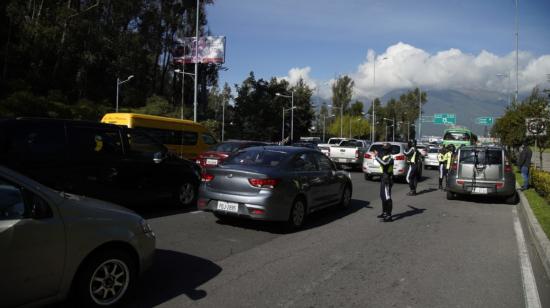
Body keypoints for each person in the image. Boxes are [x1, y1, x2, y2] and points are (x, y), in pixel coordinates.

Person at [375, 143, 394, 222]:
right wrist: (377, 154)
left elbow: (385, 163)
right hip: (383, 177)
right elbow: (382, 158)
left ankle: (389, 215)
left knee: (387, 197)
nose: (383, 150)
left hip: (387, 179)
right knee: (382, 196)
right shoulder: (385, 156)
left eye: (385, 149)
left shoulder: (390, 157)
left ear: (388, 150)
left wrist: (376, 157)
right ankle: (384, 212)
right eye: (383, 149)